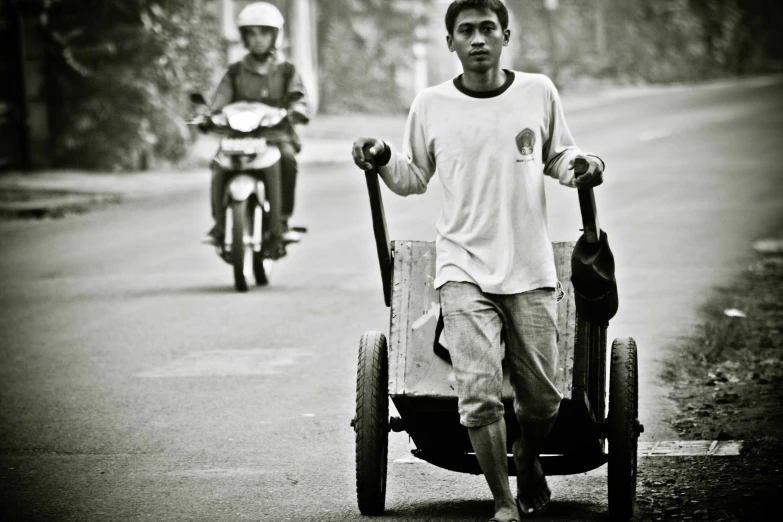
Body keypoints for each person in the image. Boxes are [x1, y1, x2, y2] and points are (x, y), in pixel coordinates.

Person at [351, 1, 604, 520]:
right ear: (451, 43)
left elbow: (560, 157)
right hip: (461, 268)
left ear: (505, 35)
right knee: (478, 394)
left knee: (541, 401)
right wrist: (379, 155)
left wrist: (584, 164)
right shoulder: (431, 104)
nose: (478, 39)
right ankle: (503, 500)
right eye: (465, 30)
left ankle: (527, 456)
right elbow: (412, 178)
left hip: (531, 269)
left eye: (488, 28)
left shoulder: (538, 92)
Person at [205, 1, 310, 258]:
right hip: (239, 137)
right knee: (219, 162)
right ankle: (219, 226)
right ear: (244, 37)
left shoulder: (287, 71)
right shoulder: (235, 72)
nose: (258, 39)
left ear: (275, 35)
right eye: (251, 33)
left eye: (264, 32)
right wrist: (208, 116)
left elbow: (299, 98)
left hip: (276, 136)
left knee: (287, 159)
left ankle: (282, 222)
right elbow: (219, 101)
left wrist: (297, 109)